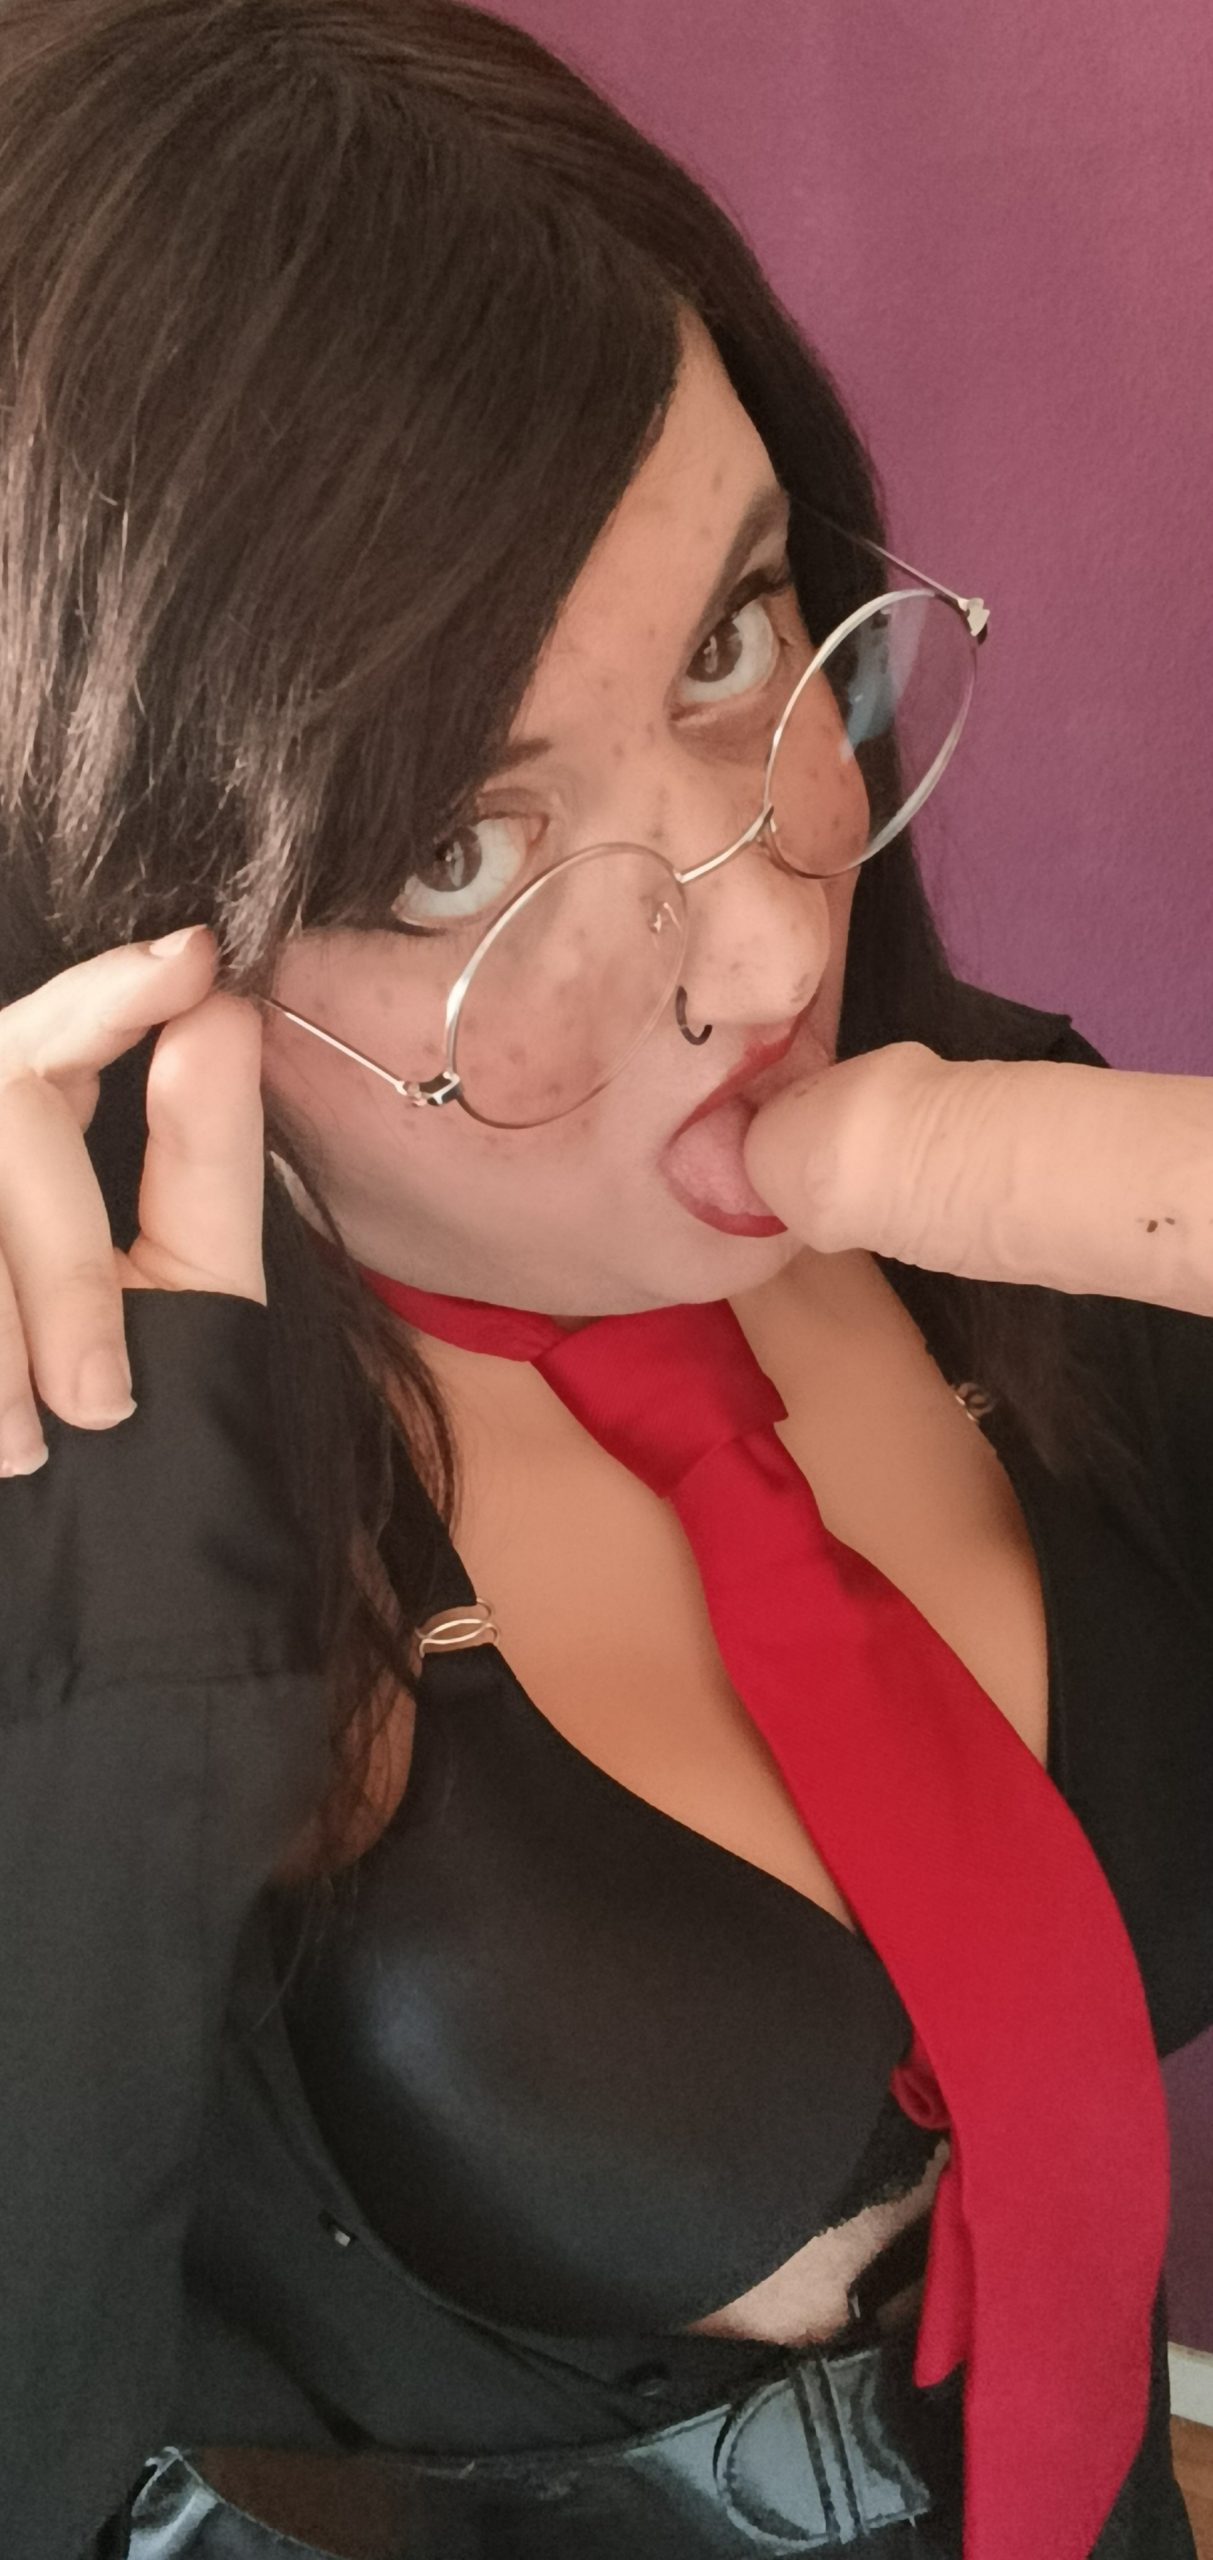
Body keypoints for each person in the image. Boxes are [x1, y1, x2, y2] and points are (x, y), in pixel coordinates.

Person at [0, 2, 1209, 2555]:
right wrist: (99, 1750)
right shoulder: (79, 1548)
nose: (761, 943)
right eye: (454, 847)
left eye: (730, 636)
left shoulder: (1021, 1179)